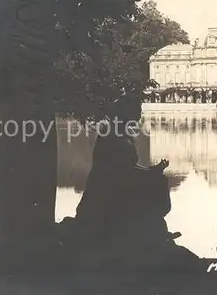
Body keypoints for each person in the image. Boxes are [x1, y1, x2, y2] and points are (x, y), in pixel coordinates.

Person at [74, 93, 180, 262]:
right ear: (126, 114)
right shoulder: (115, 136)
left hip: (115, 183)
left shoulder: (118, 134)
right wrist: (151, 172)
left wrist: (153, 170)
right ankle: (153, 228)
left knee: (157, 179)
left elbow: (126, 168)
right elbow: (122, 171)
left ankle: (155, 227)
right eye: (136, 112)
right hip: (110, 189)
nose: (139, 116)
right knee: (157, 181)